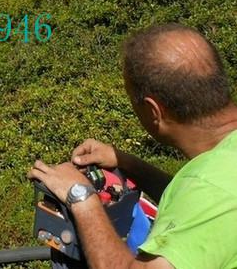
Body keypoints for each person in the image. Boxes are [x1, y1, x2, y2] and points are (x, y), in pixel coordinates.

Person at [29, 23, 237, 269]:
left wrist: (81, 196)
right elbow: (196, 202)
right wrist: (126, 163)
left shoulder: (210, 189)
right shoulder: (218, 173)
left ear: (153, 110)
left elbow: (206, 198)